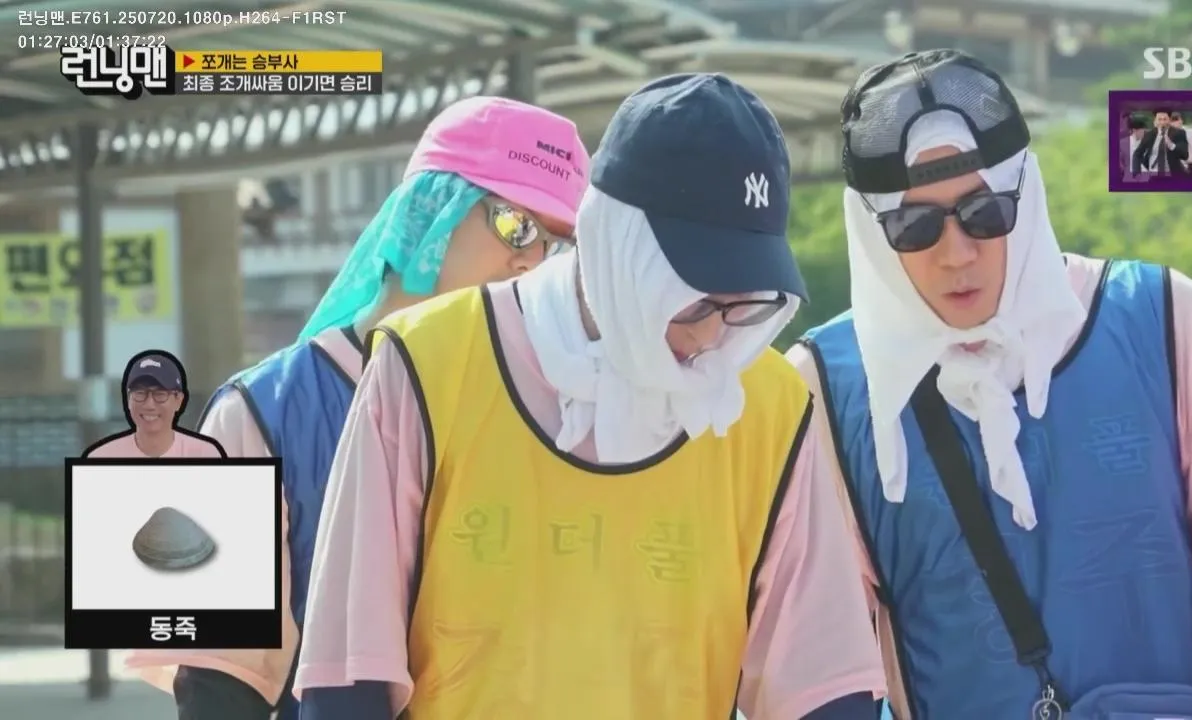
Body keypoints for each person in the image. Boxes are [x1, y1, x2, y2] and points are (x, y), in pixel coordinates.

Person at [294, 73, 885, 719]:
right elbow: (348, 670)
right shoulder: (425, 363)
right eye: (694, 298)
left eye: (744, 304)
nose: (713, 334)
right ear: (615, 244)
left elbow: (823, 683)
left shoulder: (767, 406)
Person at [789, 49, 1192, 720]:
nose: (957, 253)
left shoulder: (1166, 320)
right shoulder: (824, 389)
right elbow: (822, 670)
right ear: (872, 234)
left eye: (986, 212)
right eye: (914, 226)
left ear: (1026, 193)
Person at [123, 96, 590, 720]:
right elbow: (217, 681)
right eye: (516, 225)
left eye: (556, 246)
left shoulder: (570, 414)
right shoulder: (258, 411)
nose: (531, 260)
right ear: (432, 209)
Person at [84, 350, 224, 458]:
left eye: (160, 394)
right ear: (128, 399)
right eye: (140, 393)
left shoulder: (204, 455)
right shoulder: (102, 459)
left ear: (179, 400)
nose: (149, 404)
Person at [1134, 108, 1189, 177]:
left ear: (1169, 120)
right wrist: (1137, 172)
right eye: (1159, 119)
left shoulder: (1179, 133)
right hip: (1153, 175)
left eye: (1165, 119)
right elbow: (1137, 154)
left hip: (1172, 175)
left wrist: (1172, 145)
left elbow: (1185, 155)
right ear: (1155, 121)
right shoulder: (1149, 134)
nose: (1162, 122)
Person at [1171, 111, 1192, 178]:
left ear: (1181, 121)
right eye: (1173, 121)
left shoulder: (1190, 132)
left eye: (1177, 120)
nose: (1175, 123)